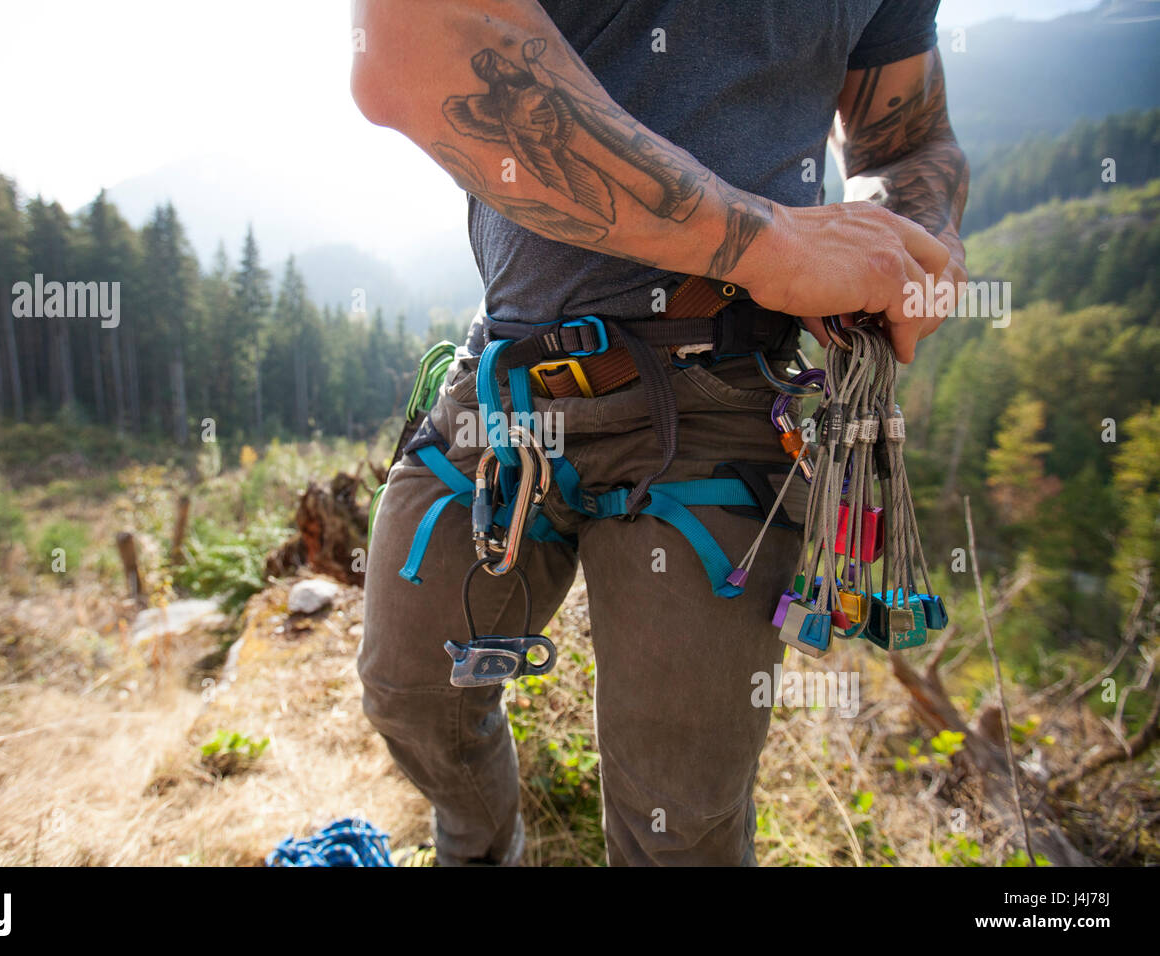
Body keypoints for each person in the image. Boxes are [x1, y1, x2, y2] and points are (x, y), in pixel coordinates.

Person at [351, 0, 968, 866]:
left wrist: (909, 241)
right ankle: (476, 846)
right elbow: (408, 49)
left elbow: (906, 140)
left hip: (722, 399)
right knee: (408, 690)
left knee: (684, 820)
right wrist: (778, 247)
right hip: (505, 382)